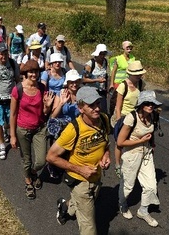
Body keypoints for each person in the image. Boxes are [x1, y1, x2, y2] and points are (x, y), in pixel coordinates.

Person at [46, 86, 111, 235]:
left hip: (96, 177)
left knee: (81, 203)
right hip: (79, 180)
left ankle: (64, 207)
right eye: (91, 105)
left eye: (98, 103)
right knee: (88, 225)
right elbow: (50, 157)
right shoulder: (73, 129)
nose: (96, 108)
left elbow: (106, 143)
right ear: (81, 108)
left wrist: (106, 155)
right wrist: (80, 169)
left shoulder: (103, 119)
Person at [10, 60, 55, 200]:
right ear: (26, 73)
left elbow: (45, 112)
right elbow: (13, 114)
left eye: (36, 71)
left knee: (41, 160)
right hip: (23, 129)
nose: (34, 74)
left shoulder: (42, 88)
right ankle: (28, 180)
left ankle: (33, 172)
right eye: (31, 72)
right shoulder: (18, 89)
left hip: (39, 128)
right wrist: (12, 135)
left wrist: (47, 106)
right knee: (27, 160)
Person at [116, 90, 162, 227]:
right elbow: (120, 142)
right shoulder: (131, 118)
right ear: (141, 104)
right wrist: (140, 141)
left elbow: (151, 133)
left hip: (146, 153)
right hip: (131, 154)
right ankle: (122, 204)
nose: (150, 106)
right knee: (128, 186)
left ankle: (143, 210)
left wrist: (150, 144)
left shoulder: (153, 116)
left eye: (152, 103)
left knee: (151, 185)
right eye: (147, 103)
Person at [111, 60, 146, 178]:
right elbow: (118, 105)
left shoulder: (141, 84)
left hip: (136, 117)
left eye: (140, 74)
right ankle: (117, 164)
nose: (139, 76)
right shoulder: (123, 85)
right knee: (120, 143)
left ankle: (130, 164)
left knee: (133, 141)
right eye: (137, 74)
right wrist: (119, 120)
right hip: (124, 117)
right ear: (130, 73)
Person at [109, 41, 136, 115]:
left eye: (130, 48)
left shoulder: (132, 58)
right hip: (118, 83)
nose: (129, 50)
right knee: (116, 101)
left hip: (128, 82)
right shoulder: (118, 59)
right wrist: (112, 83)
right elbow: (113, 71)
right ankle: (113, 115)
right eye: (127, 48)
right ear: (123, 48)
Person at [82, 43, 109, 113]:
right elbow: (84, 79)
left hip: (102, 91)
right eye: (101, 54)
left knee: (103, 111)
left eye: (104, 54)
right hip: (92, 91)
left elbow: (105, 76)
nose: (103, 56)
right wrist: (97, 80)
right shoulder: (90, 64)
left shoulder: (105, 62)